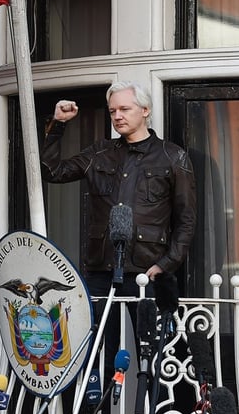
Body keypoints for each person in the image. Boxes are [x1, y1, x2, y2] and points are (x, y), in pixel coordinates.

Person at [41, 82, 197, 295]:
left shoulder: (173, 157)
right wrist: (58, 124)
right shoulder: (99, 153)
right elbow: (52, 172)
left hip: (148, 271)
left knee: (148, 330)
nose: (117, 116)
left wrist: (166, 264)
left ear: (145, 110)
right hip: (100, 272)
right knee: (100, 330)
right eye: (112, 111)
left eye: (124, 109)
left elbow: (186, 219)